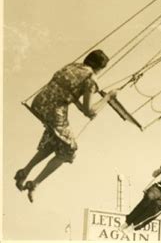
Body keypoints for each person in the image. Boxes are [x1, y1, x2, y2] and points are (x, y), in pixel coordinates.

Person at [14, 49, 118, 203]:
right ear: (98, 68)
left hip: (40, 102)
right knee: (69, 150)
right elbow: (89, 111)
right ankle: (34, 184)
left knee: (57, 141)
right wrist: (108, 97)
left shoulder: (72, 66)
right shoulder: (91, 79)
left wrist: (79, 103)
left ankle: (25, 171)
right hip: (54, 110)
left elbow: (69, 93)